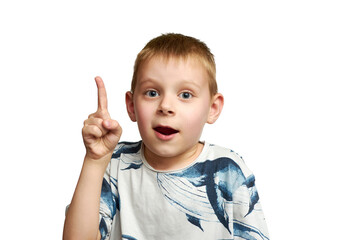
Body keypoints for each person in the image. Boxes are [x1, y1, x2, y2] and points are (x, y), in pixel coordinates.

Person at [63, 33, 269, 240]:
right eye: (152, 93)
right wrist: (95, 160)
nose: (166, 106)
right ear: (131, 105)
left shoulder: (228, 170)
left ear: (212, 108)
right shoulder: (114, 163)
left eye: (185, 95)